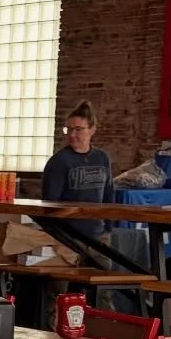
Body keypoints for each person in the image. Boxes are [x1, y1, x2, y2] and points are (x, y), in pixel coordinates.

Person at [41, 100, 113, 240]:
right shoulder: (59, 161)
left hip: (98, 233)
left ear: (92, 130)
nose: (72, 134)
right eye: (68, 129)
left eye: (78, 129)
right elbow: (50, 202)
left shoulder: (102, 157)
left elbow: (108, 195)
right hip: (68, 236)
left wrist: (108, 227)